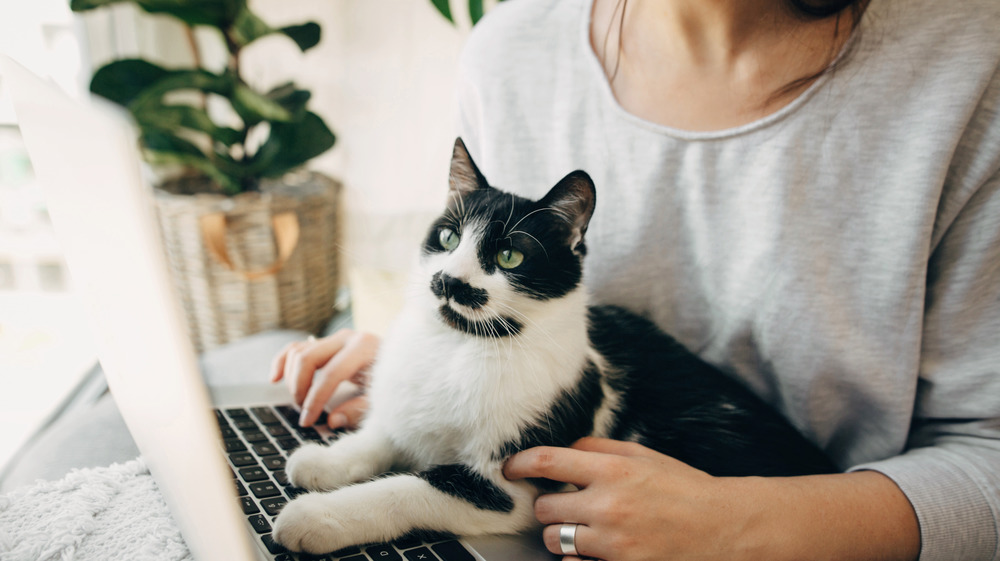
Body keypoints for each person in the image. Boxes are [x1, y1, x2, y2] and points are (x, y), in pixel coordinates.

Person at [270, 0, 1000, 559]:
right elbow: (499, 284)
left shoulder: (971, 65)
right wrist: (437, 359)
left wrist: (739, 522)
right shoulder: (512, 47)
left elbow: (989, 458)